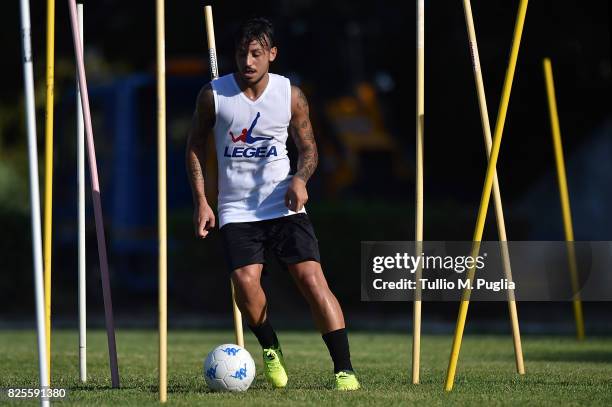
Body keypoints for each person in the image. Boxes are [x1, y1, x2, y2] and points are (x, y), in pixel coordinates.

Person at [186, 16, 360, 391]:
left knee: (312, 280)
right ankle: (269, 347)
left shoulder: (290, 95)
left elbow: (309, 149)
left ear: (272, 55)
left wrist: (300, 178)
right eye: (241, 54)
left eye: (256, 54)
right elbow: (195, 146)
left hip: (283, 204)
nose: (247, 62)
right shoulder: (213, 95)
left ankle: (344, 368)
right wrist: (202, 200)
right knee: (244, 283)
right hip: (235, 208)